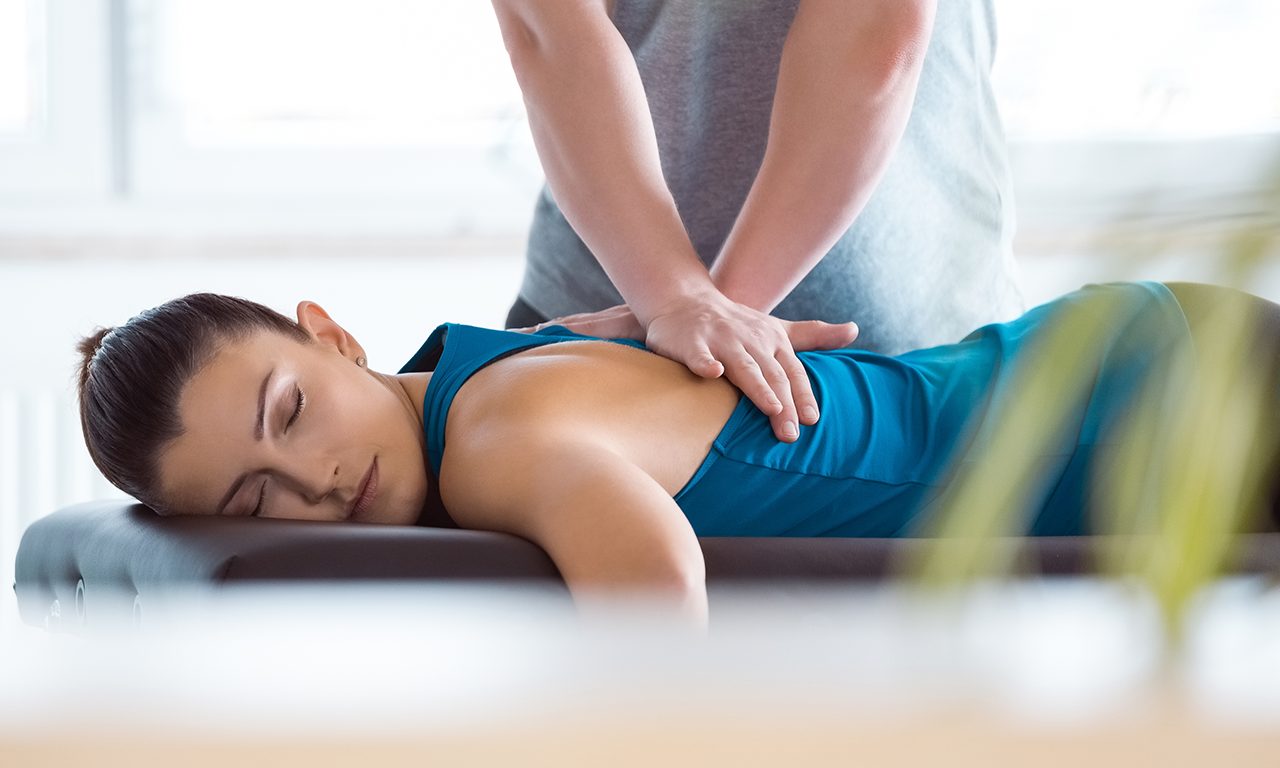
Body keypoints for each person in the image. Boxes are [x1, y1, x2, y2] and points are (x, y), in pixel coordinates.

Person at [76, 282, 1280, 625]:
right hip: (1114, 357)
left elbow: (654, 599)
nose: (316, 484)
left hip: (1140, 409)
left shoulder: (495, 437)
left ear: (332, 335)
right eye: (253, 497)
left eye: (291, 415)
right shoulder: (488, 362)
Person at [490, 0, 1025, 442]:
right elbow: (550, 35)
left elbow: (872, 36)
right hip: (602, 333)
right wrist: (683, 309)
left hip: (903, 355)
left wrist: (699, 319)